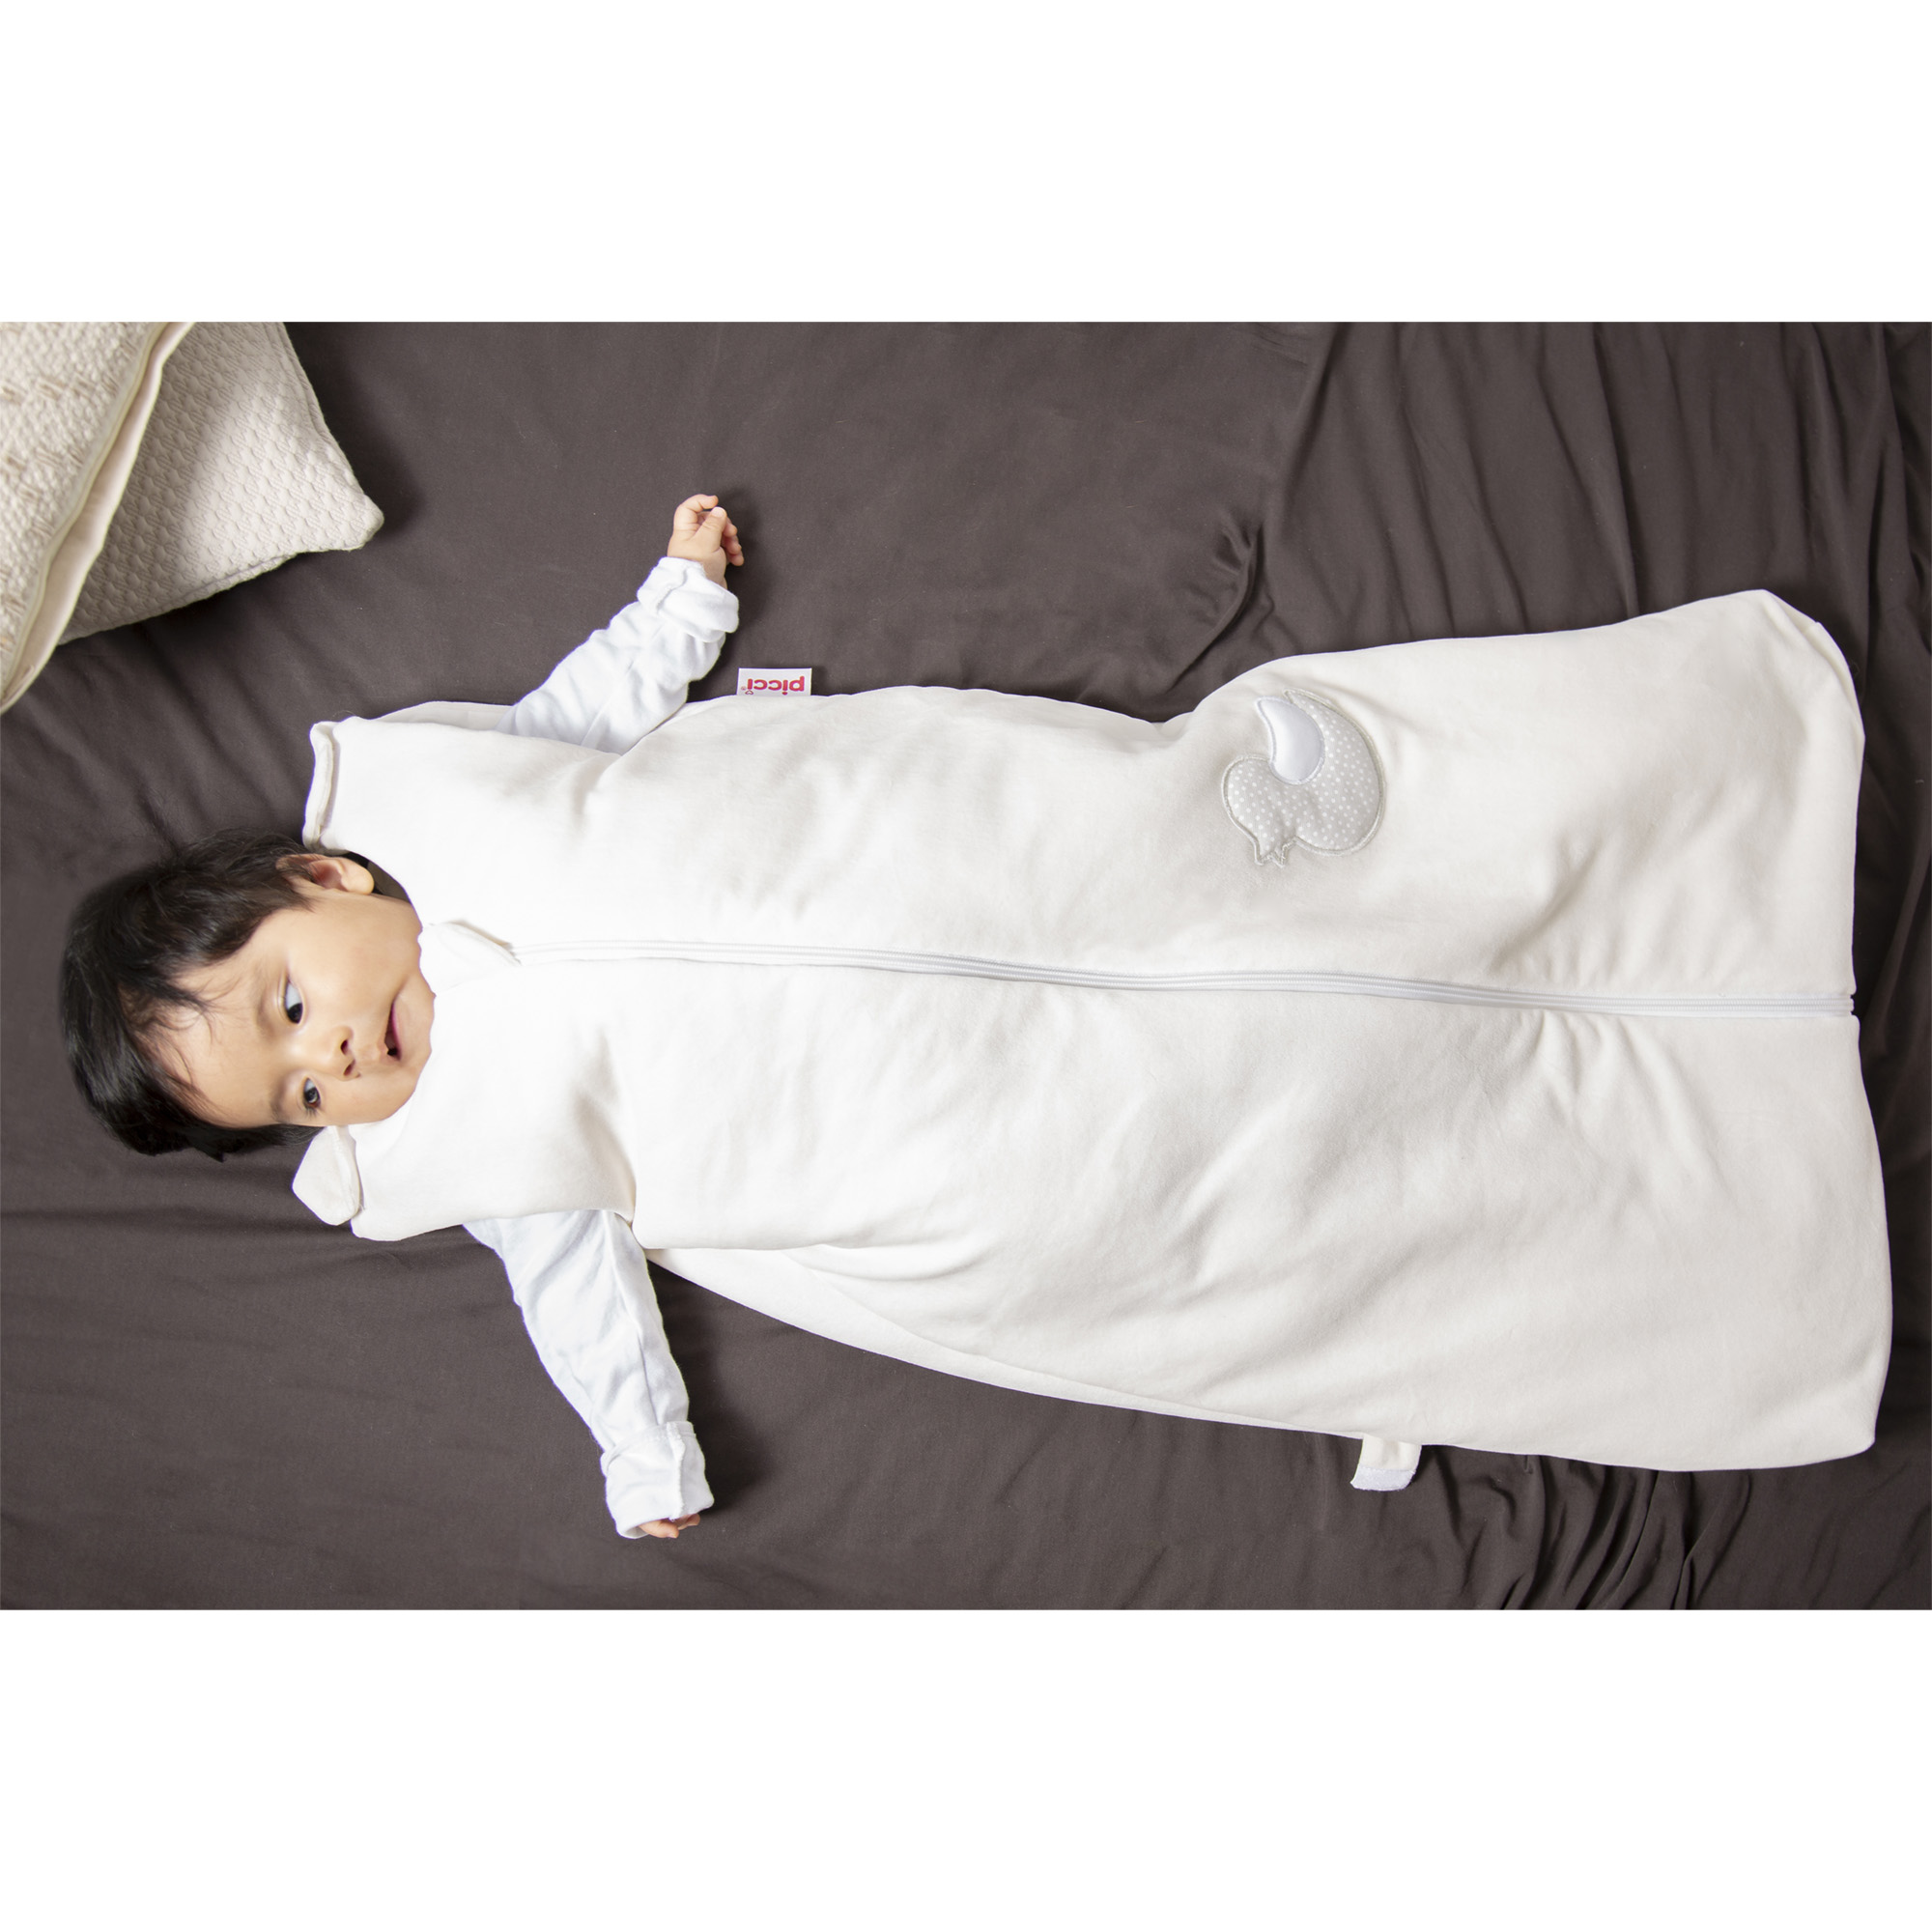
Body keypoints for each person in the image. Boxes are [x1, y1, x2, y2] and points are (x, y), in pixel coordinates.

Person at [59, 495, 1893, 1535]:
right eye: (294, 1099)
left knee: (1222, 840)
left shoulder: (458, 789)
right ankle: (1703, 1205)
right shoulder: (478, 1151)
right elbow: (580, 1303)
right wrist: (643, 1454)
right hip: (944, 1139)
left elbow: (592, 711)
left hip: (942, 865)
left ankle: (1693, 830)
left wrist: (682, 598)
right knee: (1257, 1144)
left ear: (324, 879)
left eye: (286, 1005)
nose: (330, 1061)